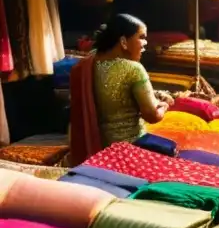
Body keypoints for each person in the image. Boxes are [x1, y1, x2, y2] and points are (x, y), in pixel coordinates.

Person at [69, 14, 173, 164]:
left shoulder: (88, 63)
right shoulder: (133, 69)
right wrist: (165, 105)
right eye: (141, 37)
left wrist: (155, 93)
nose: (145, 43)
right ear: (123, 41)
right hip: (131, 148)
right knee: (172, 148)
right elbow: (152, 115)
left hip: (96, 147)